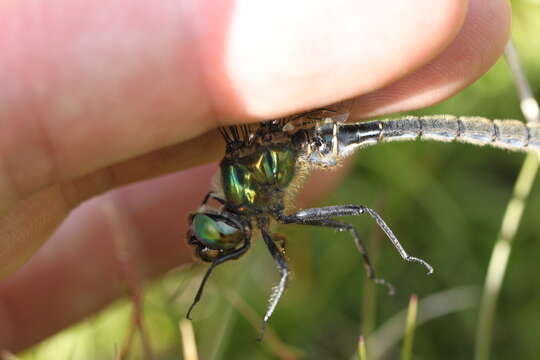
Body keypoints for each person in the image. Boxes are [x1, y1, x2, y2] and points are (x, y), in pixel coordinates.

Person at [0, 0, 510, 352]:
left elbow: (295, 264)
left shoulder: (248, 188)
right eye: (217, 237)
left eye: (213, 233)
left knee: (358, 216)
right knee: (353, 221)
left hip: (308, 138)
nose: (214, 237)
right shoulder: (243, 191)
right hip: (295, 145)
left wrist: (263, 322)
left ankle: (398, 260)